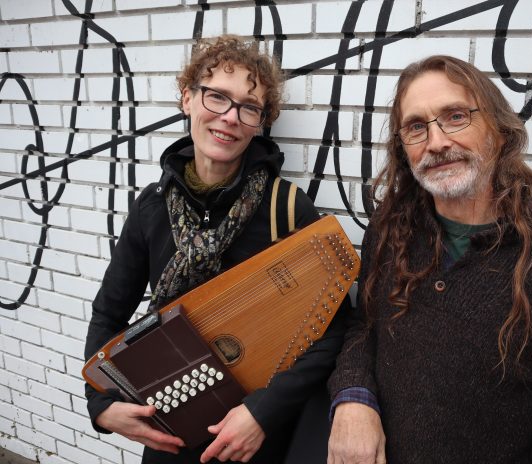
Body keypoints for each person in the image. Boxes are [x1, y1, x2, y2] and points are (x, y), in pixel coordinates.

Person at [327, 55, 532, 463]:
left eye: (455, 117)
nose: (436, 142)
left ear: (498, 130)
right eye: (416, 127)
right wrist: (353, 397)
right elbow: (364, 328)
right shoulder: (390, 229)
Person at [84, 35, 346, 464]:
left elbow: (333, 327)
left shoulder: (286, 207)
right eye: (216, 97)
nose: (230, 117)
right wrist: (101, 403)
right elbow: (109, 314)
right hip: (172, 436)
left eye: (248, 106)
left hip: (258, 442)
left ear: (261, 120)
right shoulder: (152, 207)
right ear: (187, 98)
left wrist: (263, 412)